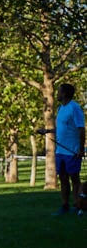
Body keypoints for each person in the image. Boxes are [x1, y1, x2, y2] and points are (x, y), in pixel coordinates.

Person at [39, 83, 85, 216]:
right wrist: (47, 131)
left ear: (64, 94)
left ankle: (78, 205)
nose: (57, 94)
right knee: (63, 178)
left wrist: (81, 150)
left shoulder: (74, 108)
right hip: (60, 151)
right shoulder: (61, 108)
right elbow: (61, 129)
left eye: (59, 92)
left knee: (74, 179)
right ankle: (65, 205)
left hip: (72, 151)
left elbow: (81, 129)